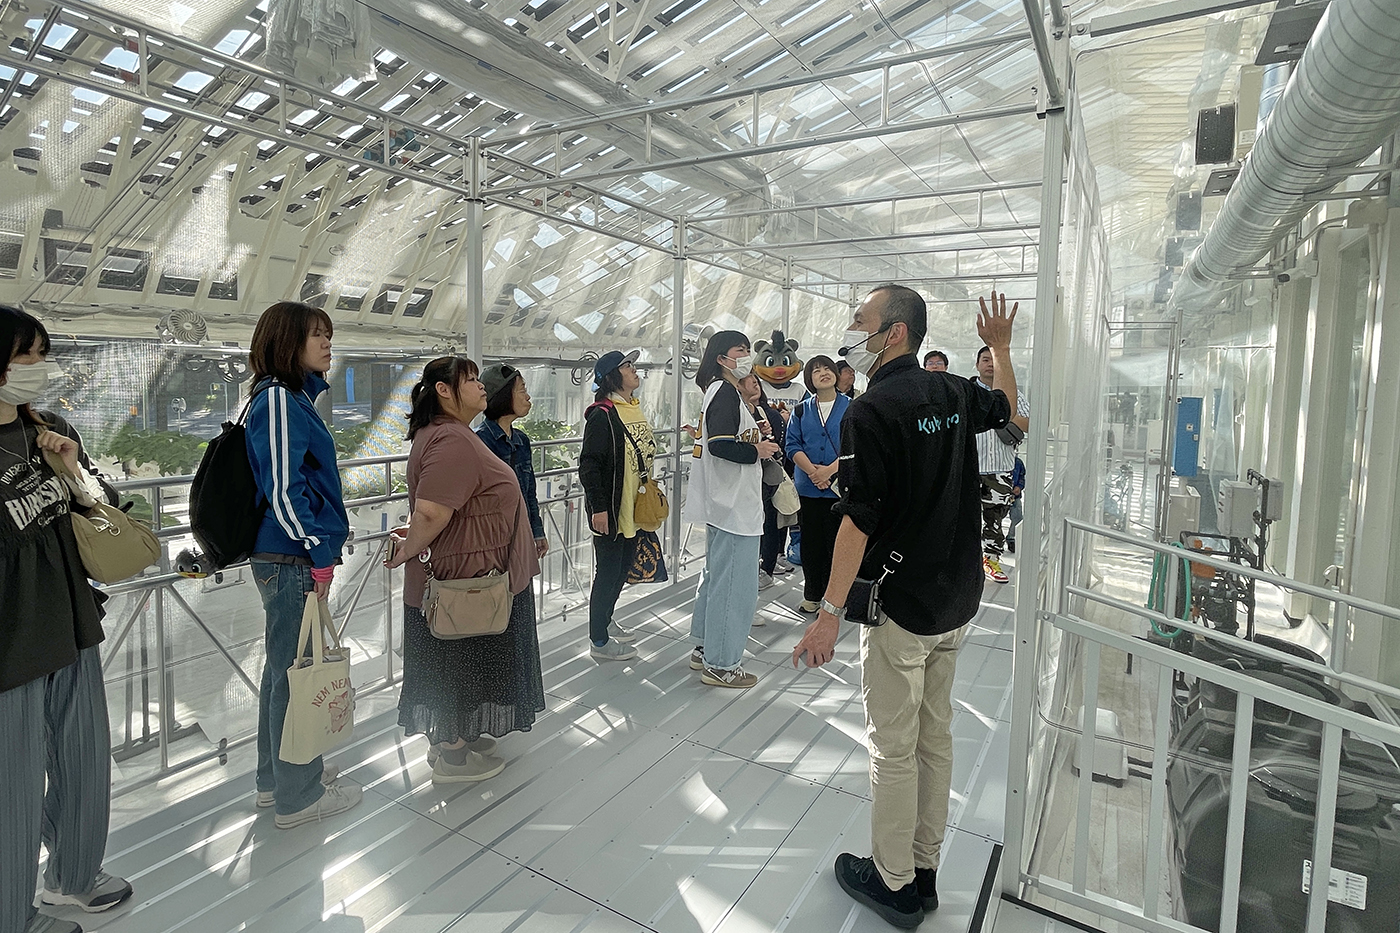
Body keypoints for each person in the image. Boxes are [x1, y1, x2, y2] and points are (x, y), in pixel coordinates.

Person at [792, 287, 1018, 929]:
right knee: (935, 738)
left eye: (860, 322)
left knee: (893, 748)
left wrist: (828, 613)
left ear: (893, 332)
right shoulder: (953, 392)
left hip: (902, 609)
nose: (851, 333)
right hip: (956, 598)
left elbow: (858, 520)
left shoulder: (871, 410)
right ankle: (924, 870)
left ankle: (893, 883)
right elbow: (1009, 411)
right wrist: (1001, 349)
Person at [1, 305, 133, 933]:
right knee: (14, 785)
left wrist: (73, 469)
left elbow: (105, 503)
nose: (37, 367)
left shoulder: (49, 430)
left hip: (71, 617)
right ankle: (12, 915)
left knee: (85, 758)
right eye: (23, 355)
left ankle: (74, 876)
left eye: (41, 354)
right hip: (11, 639)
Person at [385, 357, 544, 783]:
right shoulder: (451, 440)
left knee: (462, 663)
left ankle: (456, 741)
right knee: (457, 663)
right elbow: (432, 513)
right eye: (470, 380)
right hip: (464, 581)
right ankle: (453, 756)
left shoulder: (451, 435)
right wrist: (407, 549)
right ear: (443, 390)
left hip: (469, 574)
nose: (480, 386)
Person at [244, 301, 361, 829]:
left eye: (327, 334)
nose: (327, 343)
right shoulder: (278, 399)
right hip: (290, 555)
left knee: (283, 672)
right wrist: (318, 550)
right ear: (286, 343)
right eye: (316, 335)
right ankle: (299, 796)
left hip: (288, 554)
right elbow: (284, 489)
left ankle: (277, 780)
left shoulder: (291, 399)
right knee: (296, 675)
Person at [683, 332, 781, 688]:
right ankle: (721, 664)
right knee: (734, 587)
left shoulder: (721, 392)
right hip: (734, 507)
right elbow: (720, 444)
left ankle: (705, 647)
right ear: (721, 358)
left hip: (724, 504)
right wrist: (758, 450)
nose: (747, 356)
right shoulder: (724, 391)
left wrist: (755, 435)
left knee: (716, 578)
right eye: (740, 350)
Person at [579, 349, 654, 662]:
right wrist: (599, 508)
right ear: (612, 376)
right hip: (611, 509)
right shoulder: (603, 414)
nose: (634, 370)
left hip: (634, 507)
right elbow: (589, 465)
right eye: (627, 366)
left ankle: (606, 619)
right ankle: (598, 639)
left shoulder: (632, 408)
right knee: (609, 572)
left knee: (622, 569)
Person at [784, 355, 850, 614]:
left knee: (839, 544)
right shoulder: (801, 410)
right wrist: (814, 472)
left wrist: (830, 471)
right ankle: (812, 595)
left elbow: (857, 444)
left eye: (827, 368)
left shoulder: (852, 407)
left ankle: (837, 599)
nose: (823, 373)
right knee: (811, 544)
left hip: (840, 488)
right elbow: (792, 445)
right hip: (809, 487)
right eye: (816, 370)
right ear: (809, 379)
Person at [476, 363, 549, 561]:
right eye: (522, 390)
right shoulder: (480, 441)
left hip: (521, 535)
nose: (528, 397)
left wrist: (537, 531)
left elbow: (529, 492)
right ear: (504, 395)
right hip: (493, 541)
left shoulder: (521, 440)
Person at [973, 344, 1030, 583]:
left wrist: (1003, 416)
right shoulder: (969, 392)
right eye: (985, 360)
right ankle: (967, 562)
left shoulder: (1013, 393)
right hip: (970, 469)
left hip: (1000, 470)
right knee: (964, 517)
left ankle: (991, 560)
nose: (989, 364)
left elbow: (1026, 422)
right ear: (977, 365)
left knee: (994, 519)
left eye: (993, 360)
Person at [748, 377, 791, 590]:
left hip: (767, 478)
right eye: (749, 383)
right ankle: (757, 567)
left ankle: (767, 568)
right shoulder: (739, 411)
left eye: (756, 383)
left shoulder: (770, 414)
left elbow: (778, 446)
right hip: (748, 479)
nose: (754, 386)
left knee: (770, 521)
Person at [1007, 455, 1026, 554]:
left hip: (1014, 496)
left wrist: (1019, 486)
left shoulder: (1018, 462)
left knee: (1017, 517)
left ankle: (1011, 538)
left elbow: (1022, 476)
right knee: (995, 517)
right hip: (999, 495)